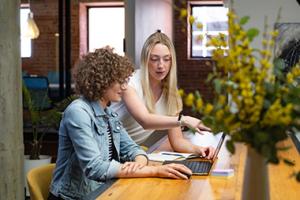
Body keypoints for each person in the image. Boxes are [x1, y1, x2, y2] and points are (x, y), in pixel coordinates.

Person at [48, 48, 192, 200]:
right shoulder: (78, 112)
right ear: (102, 81)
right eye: (120, 81)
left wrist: (139, 163)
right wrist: (155, 171)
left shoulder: (108, 114)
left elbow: (133, 149)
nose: (124, 87)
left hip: (102, 192)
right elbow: (95, 168)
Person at [112, 31, 215, 158]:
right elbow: (145, 121)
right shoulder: (129, 83)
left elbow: (177, 141)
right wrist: (184, 120)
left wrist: (199, 150)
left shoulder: (170, 93)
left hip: (128, 152)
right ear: (145, 60)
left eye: (167, 59)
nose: (161, 65)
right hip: (106, 150)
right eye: (154, 59)